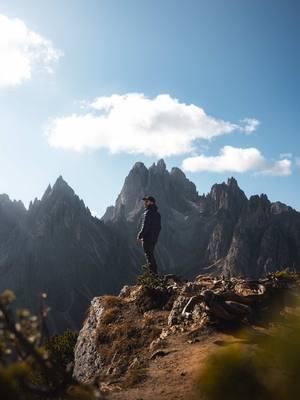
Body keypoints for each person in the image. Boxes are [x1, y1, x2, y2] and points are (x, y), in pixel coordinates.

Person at [137, 195, 161, 274]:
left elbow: (145, 226)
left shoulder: (147, 213)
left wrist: (140, 236)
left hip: (147, 238)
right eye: (144, 201)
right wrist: (155, 236)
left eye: (146, 201)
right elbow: (159, 227)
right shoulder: (157, 214)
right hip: (154, 239)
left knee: (149, 255)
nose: (145, 203)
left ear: (151, 202)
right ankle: (154, 274)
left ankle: (153, 275)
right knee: (151, 255)